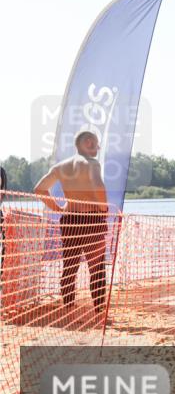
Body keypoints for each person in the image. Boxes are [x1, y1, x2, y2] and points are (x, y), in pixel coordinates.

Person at [33, 131, 110, 316]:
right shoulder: (91, 163)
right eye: (96, 143)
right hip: (91, 220)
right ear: (88, 142)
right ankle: (99, 309)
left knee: (69, 265)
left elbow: (39, 189)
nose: (98, 148)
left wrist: (59, 208)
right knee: (97, 266)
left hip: (70, 220)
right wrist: (104, 208)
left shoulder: (61, 166)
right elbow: (99, 187)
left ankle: (68, 308)